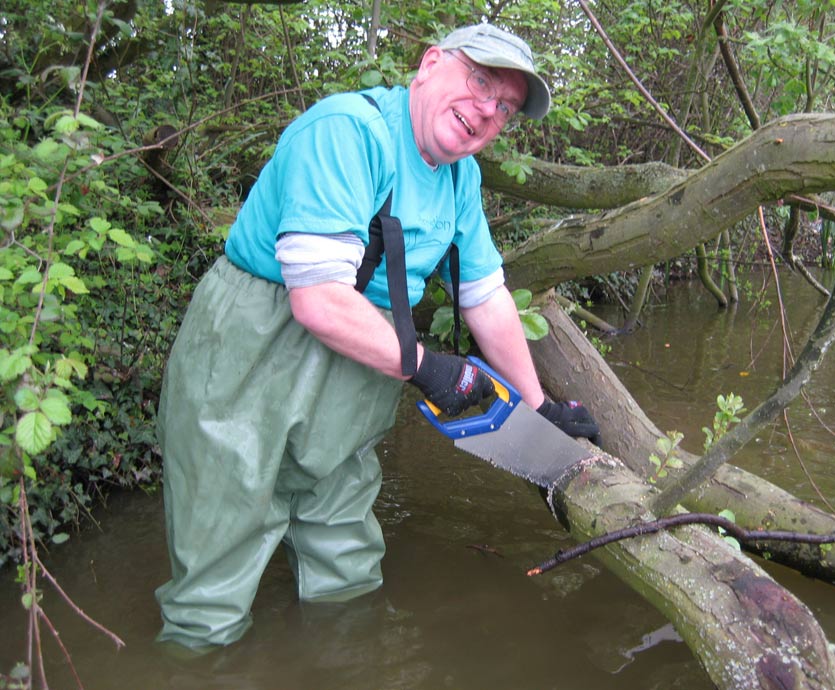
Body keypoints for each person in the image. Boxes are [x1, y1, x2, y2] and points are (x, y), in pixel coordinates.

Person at [155, 23, 600, 649]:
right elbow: (317, 300)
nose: (485, 112)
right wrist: (429, 367)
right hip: (255, 346)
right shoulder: (348, 131)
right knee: (217, 558)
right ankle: (193, 661)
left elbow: (486, 295)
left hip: (365, 361)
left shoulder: (459, 178)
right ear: (430, 64)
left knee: (345, 556)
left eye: (503, 109)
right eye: (479, 83)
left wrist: (539, 407)